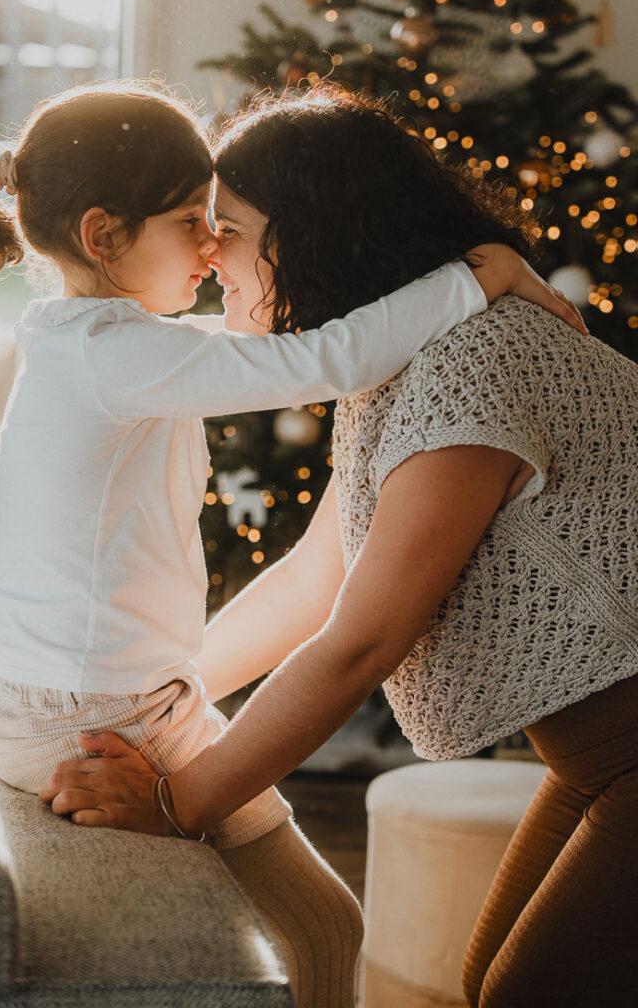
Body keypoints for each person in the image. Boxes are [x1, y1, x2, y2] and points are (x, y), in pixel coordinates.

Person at [40, 86, 637, 1008]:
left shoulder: (474, 365)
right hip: (599, 758)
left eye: (226, 227)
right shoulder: (403, 368)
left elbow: (362, 639)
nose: (208, 253)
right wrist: (151, 713)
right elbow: (317, 578)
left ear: (310, 231)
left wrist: (180, 800)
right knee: (494, 986)